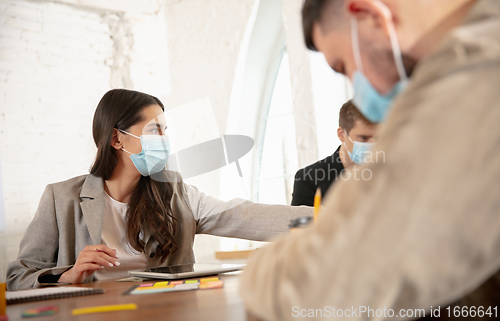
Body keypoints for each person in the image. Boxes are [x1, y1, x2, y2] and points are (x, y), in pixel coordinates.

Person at [240, 0, 500, 319]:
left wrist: (261, 275)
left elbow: (311, 288)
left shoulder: (470, 77)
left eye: (345, 66)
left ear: (370, 15)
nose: (360, 96)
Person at [6, 89, 312, 291]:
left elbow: (246, 216)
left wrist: (333, 217)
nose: (165, 139)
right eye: (155, 130)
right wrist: (66, 275)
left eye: (166, 130)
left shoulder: (175, 192)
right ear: (117, 139)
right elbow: (18, 276)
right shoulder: (61, 199)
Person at [291, 100, 377, 206]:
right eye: (363, 138)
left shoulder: (390, 173)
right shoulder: (309, 179)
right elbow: (303, 222)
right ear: (342, 135)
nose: (373, 144)